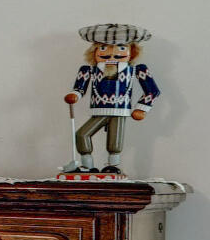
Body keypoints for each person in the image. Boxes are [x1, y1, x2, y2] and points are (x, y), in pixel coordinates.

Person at [64, 22, 158, 178]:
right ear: (94, 51)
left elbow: (152, 90)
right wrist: (75, 95)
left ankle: (112, 167)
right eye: (103, 48)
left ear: (132, 52)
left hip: (120, 111)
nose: (111, 54)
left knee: (114, 142)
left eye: (121, 48)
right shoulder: (88, 70)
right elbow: (80, 88)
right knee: (82, 134)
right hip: (98, 110)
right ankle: (87, 166)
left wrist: (142, 108)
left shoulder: (137, 70)